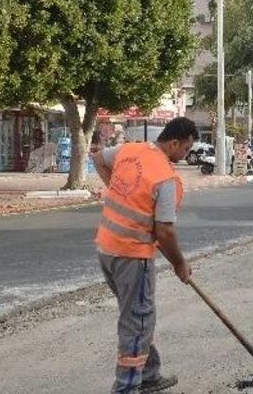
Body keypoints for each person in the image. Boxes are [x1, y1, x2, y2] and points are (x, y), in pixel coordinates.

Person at [91, 117, 198, 394]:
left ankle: (149, 374)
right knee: (137, 323)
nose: (185, 156)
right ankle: (126, 388)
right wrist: (180, 264)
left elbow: (99, 158)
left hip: (106, 247)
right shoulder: (165, 178)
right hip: (132, 256)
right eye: (185, 150)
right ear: (174, 143)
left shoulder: (131, 150)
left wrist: (117, 189)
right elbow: (164, 232)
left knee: (135, 316)